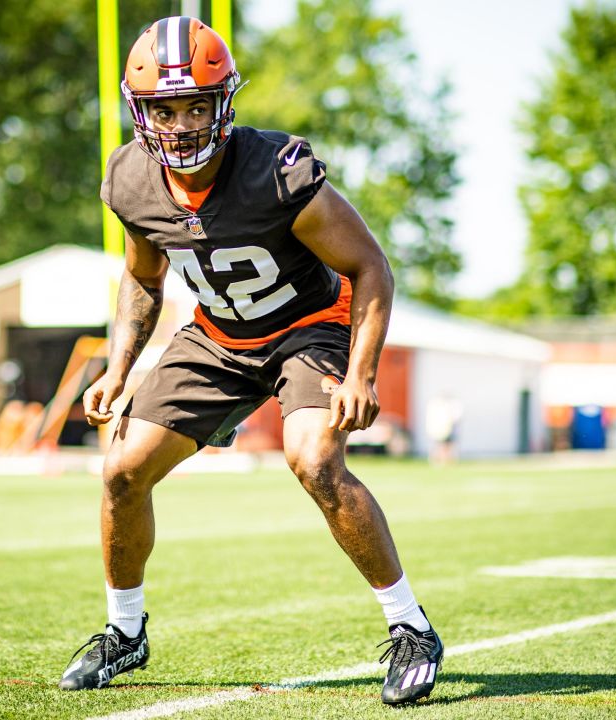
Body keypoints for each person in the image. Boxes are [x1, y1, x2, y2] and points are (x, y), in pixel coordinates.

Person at [57, 17, 442, 706]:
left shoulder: (276, 170)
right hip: (216, 338)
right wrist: (119, 370)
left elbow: (370, 265)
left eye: (196, 105)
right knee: (120, 471)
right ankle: (125, 632)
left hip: (307, 328)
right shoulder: (130, 177)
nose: (180, 125)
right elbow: (144, 278)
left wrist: (360, 372)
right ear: (141, 112)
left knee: (315, 461)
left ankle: (410, 627)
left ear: (223, 103)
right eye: (164, 110)